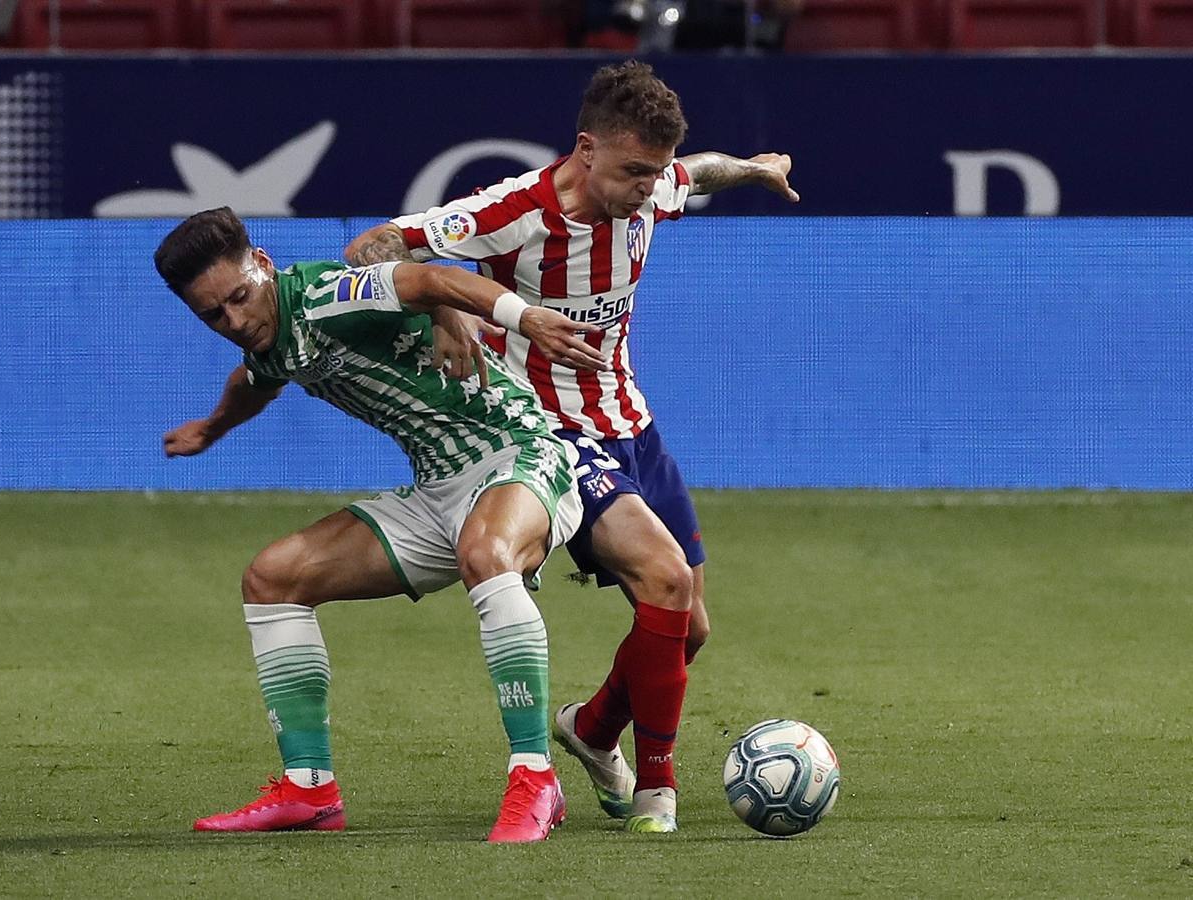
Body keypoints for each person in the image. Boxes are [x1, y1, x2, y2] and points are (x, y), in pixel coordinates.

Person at [345, 60, 799, 833]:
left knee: (689, 627)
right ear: (585, 149)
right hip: (546, 435)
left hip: (631, 424)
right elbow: (373, 247)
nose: (644, 188)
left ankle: (591, 731)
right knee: (662, 577)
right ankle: (658, 793)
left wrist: (756, 170)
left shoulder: (655, 184)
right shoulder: (513, 210)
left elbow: (703, 172)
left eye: (654, 173)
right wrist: (443, 310)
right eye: (631, 171)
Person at [155, 207, 610, 843]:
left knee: (486, 553)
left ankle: (535, 778)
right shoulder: (273, 336)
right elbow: (256, 381)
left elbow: (425, 281)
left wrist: (523, 317)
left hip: (519, 453)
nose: (234, 321)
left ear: (261, 264)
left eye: (238, 298)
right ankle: (309, 790)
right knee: (272, 578)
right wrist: (213, 426)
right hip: (438, 489)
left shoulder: (321, 296)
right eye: (212, 316)